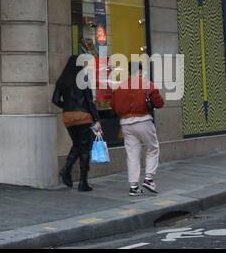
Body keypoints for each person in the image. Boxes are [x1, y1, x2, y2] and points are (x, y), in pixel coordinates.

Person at [100, 61, 165, 196]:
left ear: (129, 71)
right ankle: (149, 179)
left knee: (132, 154)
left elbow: (113, 106)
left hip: (126, 124)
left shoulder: (119, 88)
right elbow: (159, 103)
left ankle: (134, 186)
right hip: (143, 120)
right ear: (140, 71)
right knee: (153, 148)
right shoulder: (147, 84)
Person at [52, 43, 100, 191]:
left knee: (77, 145)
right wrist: (96, 119)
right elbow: (89, 101)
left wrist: (66, 108)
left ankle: (66, 170)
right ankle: (82, 182)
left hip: (68, 117)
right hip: (83, 116)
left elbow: (54, 100)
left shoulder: (62, 80)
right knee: (85, 149)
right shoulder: (83, 78)